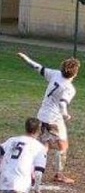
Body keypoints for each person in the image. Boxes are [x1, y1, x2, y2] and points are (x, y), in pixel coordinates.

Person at [18, 52, 80, 184]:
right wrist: (65, 114)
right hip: (54, 119)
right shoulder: (69, 88)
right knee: (63, 145)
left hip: (41, 115)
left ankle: (31, 171)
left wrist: (25, 58)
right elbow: (62, 103)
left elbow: (37, 67)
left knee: (44, 146)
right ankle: (59, 174)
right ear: (75, 74)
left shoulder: (55, 74)